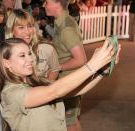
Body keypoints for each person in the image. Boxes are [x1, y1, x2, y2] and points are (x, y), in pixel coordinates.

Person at [0, 37, 120, 131]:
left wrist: (101, 71)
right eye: (22, 56)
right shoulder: (11, 94)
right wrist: (93, 64)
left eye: (29, 53)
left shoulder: (36, 80)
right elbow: (54, 91)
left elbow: (76, 90)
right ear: (6, 63)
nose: (30, 59)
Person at [43, 0, 87, 131]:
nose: (43, 5)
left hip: (69, 81)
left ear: (57, 3)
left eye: (47, 2)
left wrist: (57, 67)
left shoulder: (66, 27)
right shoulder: (60, 22)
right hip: (68, 80)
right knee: (72, 121)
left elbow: (81, 60)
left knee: (69, 124)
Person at [5, 9, 61, 81]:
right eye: (21, 27)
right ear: (11, 30)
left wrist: (44, 88)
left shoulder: (46, 48)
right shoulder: (6, 51)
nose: (27, 32)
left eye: (30, 26)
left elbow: (55, 70)